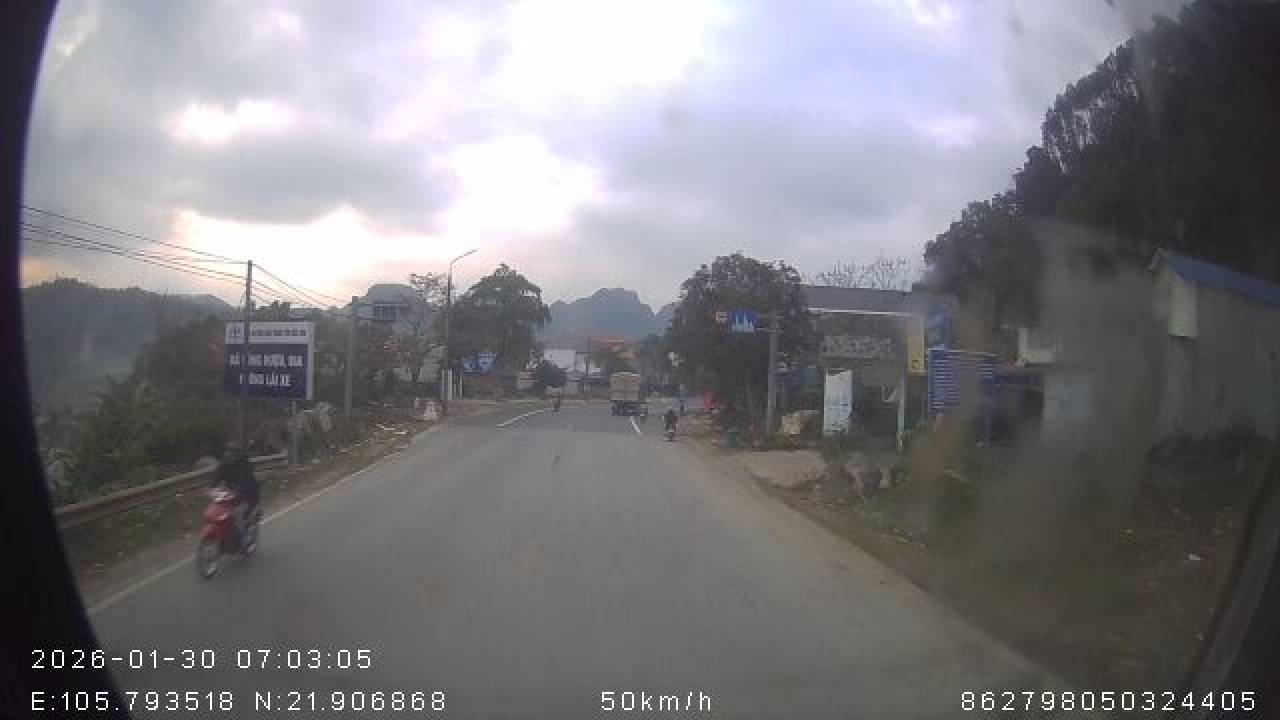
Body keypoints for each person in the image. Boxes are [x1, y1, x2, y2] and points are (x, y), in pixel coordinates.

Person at [213, 446, 260, 545]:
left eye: (231, 454)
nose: (228, 456)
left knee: (236, 514)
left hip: (248, 497)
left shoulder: (244, 466)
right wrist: (211, 487)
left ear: (236, 455)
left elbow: (248, 483)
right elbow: (216, 477)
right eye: (227, 453)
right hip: (232, 496)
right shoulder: (224, 465)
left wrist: (239, 491)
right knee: (219, 511)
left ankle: (244, 538)